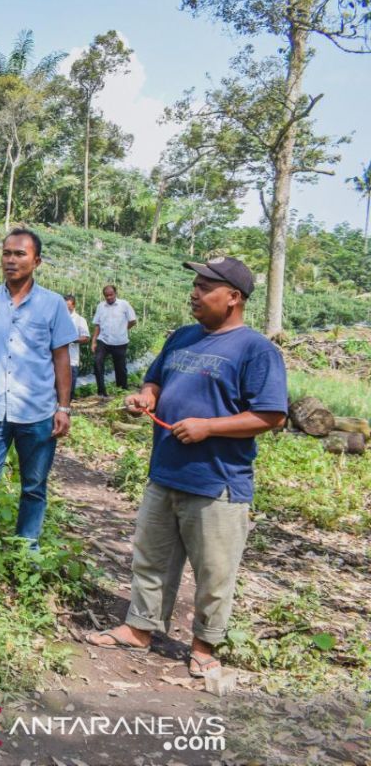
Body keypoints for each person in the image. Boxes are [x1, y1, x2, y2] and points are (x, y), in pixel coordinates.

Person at [86, 257, 287, 679]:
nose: (194, 293)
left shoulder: (256, 350)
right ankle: (140, 628)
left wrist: (208, 427)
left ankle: (204, 646)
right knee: (151, 558)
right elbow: (154, 380)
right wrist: (146, 397)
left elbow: (271, 416)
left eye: (204, 287)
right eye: (194, 285)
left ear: (233, 297)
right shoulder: (182, 338)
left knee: (214, 570)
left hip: (217, 482)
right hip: (166, 473)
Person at [0, 228, 78, 546]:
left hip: (37, 413)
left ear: (36, 260)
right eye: (6, 253)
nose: (11, 260)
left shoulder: (52, 305)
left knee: (34, 485)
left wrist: (63, 407)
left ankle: (27, 548)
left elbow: (61, 359)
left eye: (19, 254)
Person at [91, 284, 137, 397]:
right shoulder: (100, 306)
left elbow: (133, 321)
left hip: (120, 342)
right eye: (106, 295)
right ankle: (101, 392)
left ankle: (121, 392)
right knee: (97, 363)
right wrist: (94, 341)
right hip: (103, 340)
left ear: (115, 293)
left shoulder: (124, 304)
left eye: (111, 295)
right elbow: (97, 325)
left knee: (120, 368)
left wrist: (123, 330)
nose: (109, 297)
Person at [64, 294, 91, 390]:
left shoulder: (80, 320)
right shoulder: (57, 318)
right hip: (56, 358)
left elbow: (86, 337)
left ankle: (67, 403)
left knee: (70, 386)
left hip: (72, 358)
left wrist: (71, 339)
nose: (66, 309)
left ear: (74, 306)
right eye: (64, 307)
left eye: (69, 307)